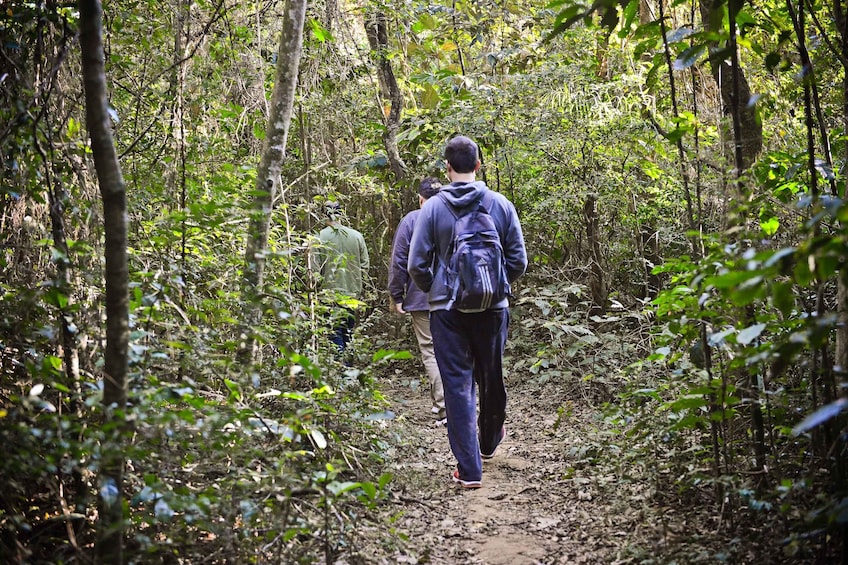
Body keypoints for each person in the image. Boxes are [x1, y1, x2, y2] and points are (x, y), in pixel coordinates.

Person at [408, 135, 527, 489]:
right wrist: (496, 285)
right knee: (491, 374)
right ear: (478, 165)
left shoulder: (432, 208)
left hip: (448, 311)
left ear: (447, 168)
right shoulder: (500, 204)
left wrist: (439, 289)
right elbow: (518, 260)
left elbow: (417, 265)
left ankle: (469, 470)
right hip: (493, 308)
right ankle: (490, 441)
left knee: (458, 384)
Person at [388, 177, 446, 424]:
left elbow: (399, 260)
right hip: (452, 296)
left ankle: (445, 406)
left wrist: (396, 294)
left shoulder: (412, 220)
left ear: (420, 199)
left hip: (421, 296)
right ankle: (448, 403)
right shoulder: (453, 218)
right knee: (452, 350)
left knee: (431, 351)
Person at [311, 201, 370, 354]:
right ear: (341, 214)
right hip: (352, 293)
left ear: (324, 216)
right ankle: (348, 370)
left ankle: (343, 372)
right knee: (348, 333)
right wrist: (357, 283)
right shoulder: (357, 236)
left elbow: (314, 271)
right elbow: (365, 266)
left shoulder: (318, 238)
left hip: (330, 295)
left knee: (335, 333)